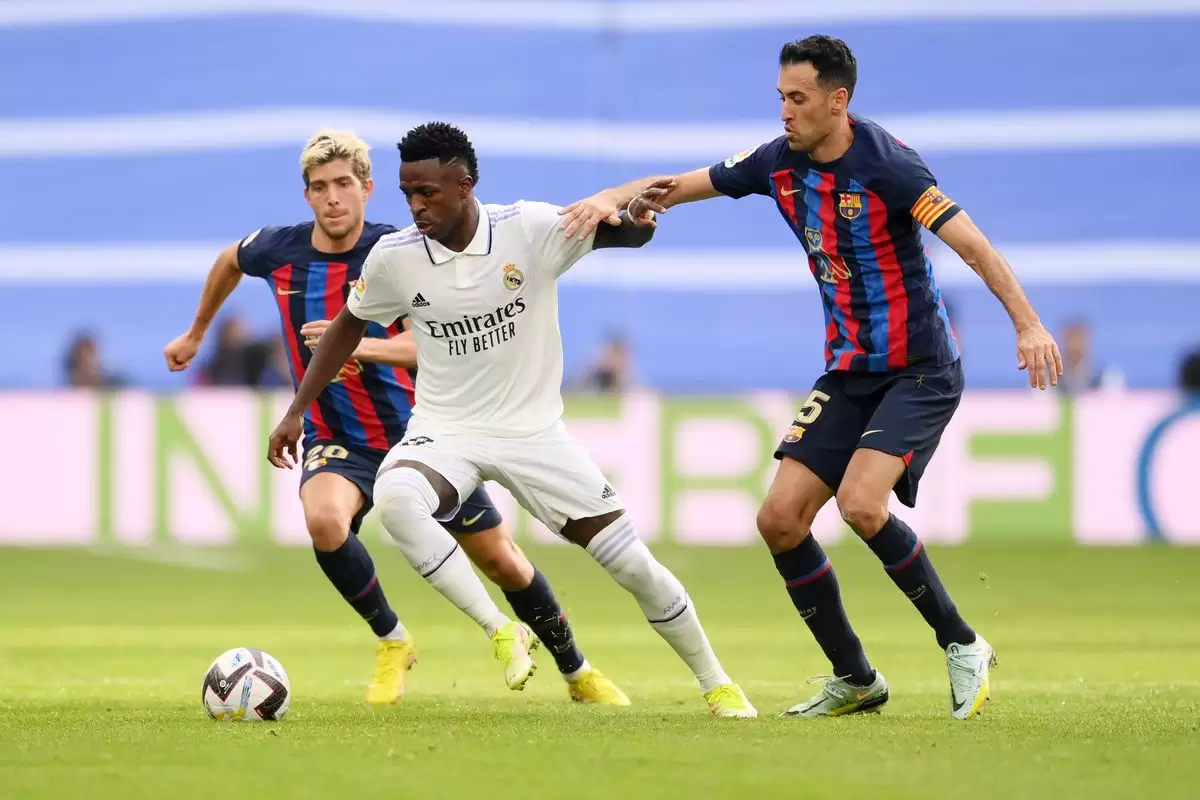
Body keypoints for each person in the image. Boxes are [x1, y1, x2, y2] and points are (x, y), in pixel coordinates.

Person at [559, 35, 1064, 719]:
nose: (785, 112)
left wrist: (1028, 324)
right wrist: (607, 198)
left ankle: (962, 641)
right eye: (780, 98)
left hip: (919, 370)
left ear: (838, 100)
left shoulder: (889, 167)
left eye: (797, 99)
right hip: (849, 371)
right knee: (780, 521)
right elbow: (675, 187)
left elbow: (972, 244)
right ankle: (856, 678)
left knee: (861, 505)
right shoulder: (777, 162)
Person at [267, 122, 756, 718]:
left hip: (533, 433)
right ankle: (501, 629)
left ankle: (717, 683)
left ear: (465, 184)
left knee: (632, 564)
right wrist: (296, 411)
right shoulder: (396, 257)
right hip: (445, 430)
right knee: (397, 497)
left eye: (428, 192)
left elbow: (622, 235)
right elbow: (347, 324)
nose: (416, 206)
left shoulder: (526, 229)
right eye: (408, 193)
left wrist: (636, 221)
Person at [165, 130, 627, 707]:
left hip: (424, 436)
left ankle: (577, 671)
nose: (333, 197)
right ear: (307, 195)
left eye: (343, 184)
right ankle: (392, 640)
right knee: (324, 521)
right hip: (339, 438)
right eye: (319, 187)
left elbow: (425, 348)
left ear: (367, 188)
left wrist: (357, 346)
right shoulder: (280, 251)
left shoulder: (403, 253)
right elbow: (230, 259)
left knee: (502, 561)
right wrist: (197, 331)